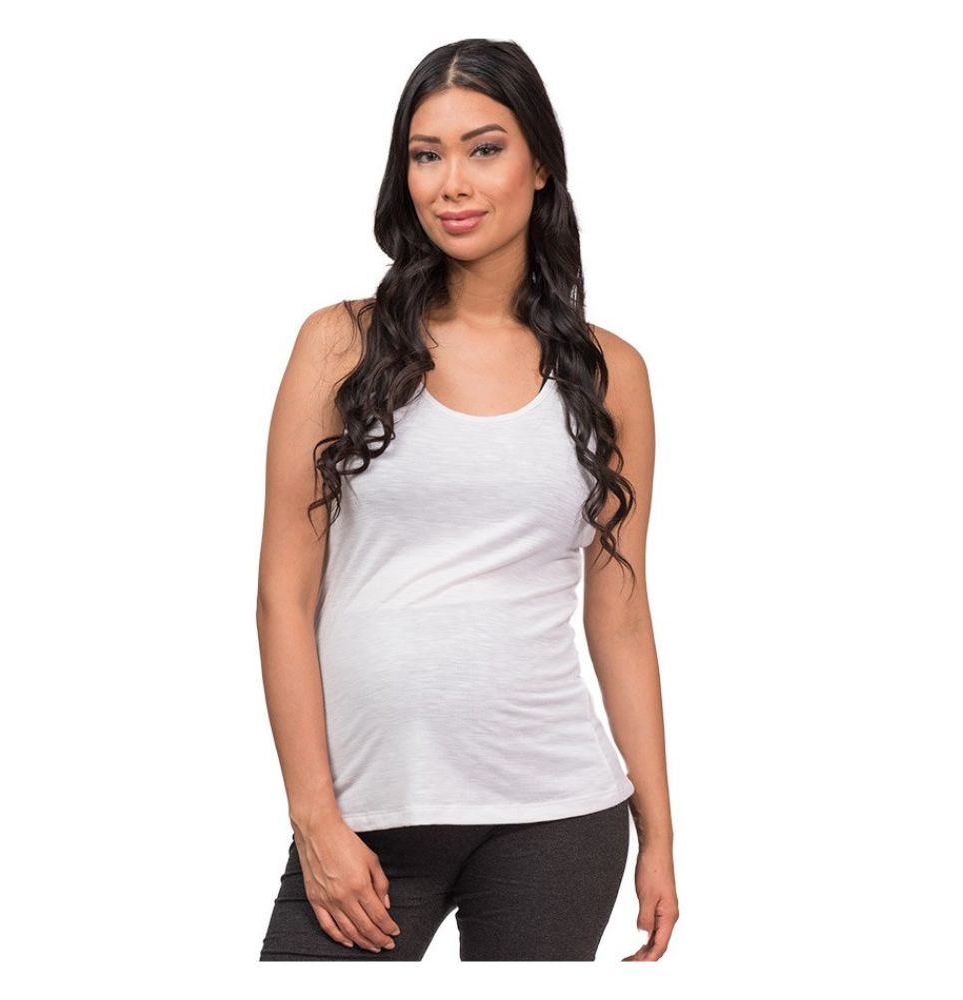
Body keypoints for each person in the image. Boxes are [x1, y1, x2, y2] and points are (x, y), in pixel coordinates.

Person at [256, 38, 678, 962]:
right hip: (370, 815)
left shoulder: (612, 374)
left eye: (485, 149)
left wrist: (660, 833)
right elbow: (283, 596)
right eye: (426, 154)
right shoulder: (341, 344)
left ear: (540, 166)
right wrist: (315, 817)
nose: (452, 182)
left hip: (560, 814)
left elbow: (620, 615)